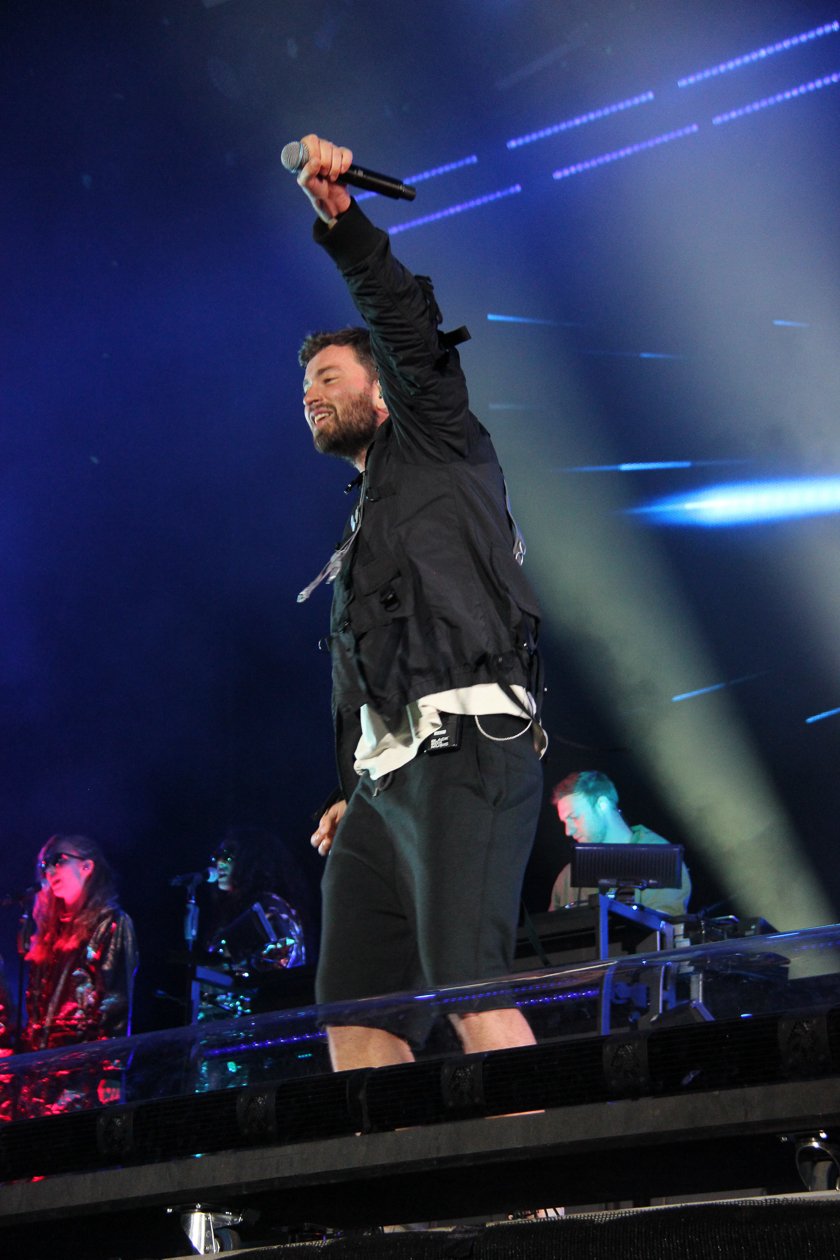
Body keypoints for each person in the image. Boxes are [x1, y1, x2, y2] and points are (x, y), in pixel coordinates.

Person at [295, 134, 545, 1071]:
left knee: (468, 988)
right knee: (355, 1019)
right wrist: (350, 780)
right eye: (304, 386)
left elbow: (403, 325)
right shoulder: (364, 520)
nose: (310, 396)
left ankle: (543, 1210)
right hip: (382, 780)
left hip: (467, 747)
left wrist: (344, 224)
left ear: (384, 394)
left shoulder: (438, 436)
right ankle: (391, 1218)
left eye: (327, 377)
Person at [18, 834, 138, 1115]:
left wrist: (113, 1067)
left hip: (84, 1069)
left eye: (58, 861)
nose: (48, 871)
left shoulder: (111, 923)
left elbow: (117, 997)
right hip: (41, 1070)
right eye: (45, 864)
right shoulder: (48, 931)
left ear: (87, 866)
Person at [198, 826, 307, 1023]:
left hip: (265, 1024)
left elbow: (281, 967)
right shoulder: (227, 911)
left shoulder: (270, 906)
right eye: (217, 857)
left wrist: (256, 963)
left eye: (229, 856)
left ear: (251, 860)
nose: (219, 863)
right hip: (226, 1026)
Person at [548, 771, 691, 917]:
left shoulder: (662, 859)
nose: (568, 830)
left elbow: (658, 931)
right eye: (565, 822)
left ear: (602, 804)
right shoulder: (568, 876)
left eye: (574, 817)